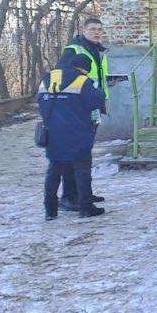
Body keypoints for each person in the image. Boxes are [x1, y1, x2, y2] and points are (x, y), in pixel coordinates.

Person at [38, 54, 106, 220]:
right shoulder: (82, 81)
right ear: (84, 68)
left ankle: (50, 210)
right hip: (77, 131)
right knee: (82, 170)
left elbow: (40, 102)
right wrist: (100, 91)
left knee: (54, 170)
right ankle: (86, 207)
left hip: (53, 132)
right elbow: (95, 102)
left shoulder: (47, 79)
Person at [57, 17, 109, 211]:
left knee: (84, 155)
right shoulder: (74, 50)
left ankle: (83, 193)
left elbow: (94, 78)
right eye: (93, 29)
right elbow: (63, 77)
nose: (97, 32)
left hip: (93, 107)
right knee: (74, 155)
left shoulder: (98, 50)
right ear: (83, 30)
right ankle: (68, 197)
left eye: (100, 30)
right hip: (77, 110)